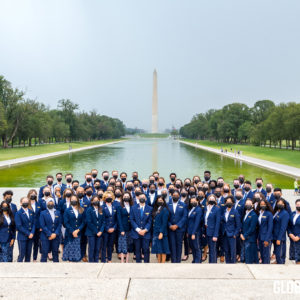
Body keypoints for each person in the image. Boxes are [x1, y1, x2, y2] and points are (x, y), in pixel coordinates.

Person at [130, 193, 153, 263]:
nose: (142, 198)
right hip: (136, 233)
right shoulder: (133, 208)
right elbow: (132, 219)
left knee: (146, 249)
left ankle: (146, 264)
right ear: (138, 199)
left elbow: (150, 221)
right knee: (137, 249)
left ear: (146, 199)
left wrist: (145, 230)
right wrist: (138, 230)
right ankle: (138, 264)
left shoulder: (150, 208)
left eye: (143, 197)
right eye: (140, 197)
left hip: (146, 233)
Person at [62, 195, 85, 262]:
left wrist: (78, 230)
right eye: (72, 199)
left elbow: (84, 222)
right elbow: (66, 222)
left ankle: (76, 261)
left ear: (77, 200)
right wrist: (73, 231)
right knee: (70, 249)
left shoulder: (81, 209)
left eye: (75, 199)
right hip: (70, 233)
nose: (73, 201)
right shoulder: (67, 210)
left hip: (79, 233)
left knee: (77, 248)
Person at [39, 198, 62, 262]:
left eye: (52, 203)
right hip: (46, 236)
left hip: (56, 236)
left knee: (55, 253)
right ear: (46, 204)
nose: (50, 204)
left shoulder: (58, 212)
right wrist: (49, 234)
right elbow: (42, 225)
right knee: (44, 253)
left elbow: (60, 224)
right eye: (49, 203)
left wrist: (55, 233)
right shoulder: (42, 213)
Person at [168, 190, 187, 263]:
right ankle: (173, 261)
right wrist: (170, 225)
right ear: (171, 196)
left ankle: (178, 261)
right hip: (171, 229)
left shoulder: (183, 204)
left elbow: (185, 216)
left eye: (177, 195)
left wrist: (177, 225)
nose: (175, 196)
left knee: (179, 245)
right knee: (172, 245)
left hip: (179, 229)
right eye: (174, 195)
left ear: (179, 196)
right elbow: (165, 217)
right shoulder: (167, 204)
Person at [221, 196, 241, 264]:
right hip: (225, 234)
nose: (228, 203)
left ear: (232, 203)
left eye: (230, 202)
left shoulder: (235, 211)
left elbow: (238, 225)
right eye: (227, 202)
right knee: (226, 250)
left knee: (233, 251)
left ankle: (233, 264)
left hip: (232, 234)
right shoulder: (224, 211)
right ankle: (228, 263)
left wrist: (235, 234)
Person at [15, 197, 35, 262]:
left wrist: (32, 233)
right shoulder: (18, 213)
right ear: (21, 203)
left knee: (28, 254)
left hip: (30, 237)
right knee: (22, 254)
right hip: (22, 237)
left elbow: (34, 223)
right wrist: (28, 233)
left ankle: (27, 269)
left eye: (27, 201)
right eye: (24, 201)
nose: (25, 203)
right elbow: (19, 226)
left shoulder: (31, 212)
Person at [85, 195, 105, 263]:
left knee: (97, 248)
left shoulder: (101, 209)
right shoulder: (89, 210)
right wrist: (96, 231)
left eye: (97, 200)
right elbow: (89, 222)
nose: (96, 201)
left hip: (100, 233)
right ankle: (91, 262)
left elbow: (104, 221)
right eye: (94, 200)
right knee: (92, 248)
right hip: (91, 232)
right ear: (92, 201)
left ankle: (96, 262)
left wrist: (101, 231)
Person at [151, 195, 170, 263]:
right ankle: (159, 263)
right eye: (158, 200)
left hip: (162, 233)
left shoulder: (165, 209)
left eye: (161, 200)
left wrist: (161, 232)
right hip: (156, 231)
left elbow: (164, 223)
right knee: (158, 249)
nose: (160, 201)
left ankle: (163, 263)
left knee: (163, 249)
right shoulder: (156, 209)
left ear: (164, 201)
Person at [240, 199, 258, 264]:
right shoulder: (245, 214)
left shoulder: (254, 215)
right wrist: (241, 234)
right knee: (245, 255)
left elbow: (252, 228)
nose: (248, 205)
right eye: (246, 204)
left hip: (250, 238)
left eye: (249, 204)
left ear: (252, 205)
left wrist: (244, 235)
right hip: (244, 237)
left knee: (249, 258)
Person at [101, 191, 118, 263]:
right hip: (105, 230)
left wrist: (114, 228)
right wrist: (107, 228)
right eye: (107, 197)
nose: (109, 198)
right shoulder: (102, 207)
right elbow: (102, 219)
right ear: (104, 198)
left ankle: (109, 259)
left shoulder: (115, 206)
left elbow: (117, 219)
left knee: (110, 245)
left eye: (110, 197)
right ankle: (103, 259)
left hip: (113, 229)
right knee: (104, 245)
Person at [117, 192, 133, 263]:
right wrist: (121, 229)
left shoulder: (132, 205)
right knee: (123, 244)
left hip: (131, 228)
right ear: (122, 197)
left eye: (128, 196)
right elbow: (119, 219)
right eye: (125, 196)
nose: (126, 197)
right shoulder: (119, 206)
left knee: (129, 245)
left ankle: (127, 261)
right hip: (123, 229)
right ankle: (122, 261)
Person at [204, 194, 221, 263]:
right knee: (209, 249)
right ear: (208, 200)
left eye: (213, 199)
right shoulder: (206, 208)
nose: (211, 200)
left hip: (213, 232)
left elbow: (217, 223)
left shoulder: (217, 209)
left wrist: (215, 235)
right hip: (206, 231)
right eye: (210, 199)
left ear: (215, 200)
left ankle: (213, 263)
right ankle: (210, 263)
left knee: (212, 249)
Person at [256, 199, 273, 264]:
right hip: (260, 237)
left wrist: (267, 239)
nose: (262, 206)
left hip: (266, 237)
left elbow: (270, 227)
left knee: (266, 255)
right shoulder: (259, 213)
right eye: (261, 204)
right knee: (262, 255)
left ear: (266, 205)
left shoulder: (269, 214)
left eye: (264, 204)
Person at [272, 199, 289, 264]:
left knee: (280, 255)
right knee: (277, 254)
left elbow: (283, 227)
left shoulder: (285, 213)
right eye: (278, 203)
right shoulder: (276, 212)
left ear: (284, 205)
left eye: (282, 203)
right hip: (274, 236)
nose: (280, 204)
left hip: (280, 237)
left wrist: (279, 238)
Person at [187, 195, 203, 263]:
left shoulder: (198, 209)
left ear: (197, 201)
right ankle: (194, 260)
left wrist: (193, 233)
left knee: (197, 247)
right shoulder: (191, 209)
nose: (193, 202)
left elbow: (197, 222)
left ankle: (198, 261)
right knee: (192, 247)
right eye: (191, 201)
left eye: (194, 201)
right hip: (190, 231)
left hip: (195, 232)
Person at [27, 189, 42, 262]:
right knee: (29, 243)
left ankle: (34, 258)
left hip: (37, 227)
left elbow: (41, 216)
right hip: (29, 227)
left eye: (34, 194)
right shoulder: (26, 204)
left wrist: (41, 226)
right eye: (31, 193)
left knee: (36, 243)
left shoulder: (38, 204)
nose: (33, 195)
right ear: (29, 195)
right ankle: (27, 257)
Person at [288, 199, 300, 264]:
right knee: (293, 257)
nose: (299, 206)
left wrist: (298, 236)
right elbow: (289, 225)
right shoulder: (292, 214)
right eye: (297, 204)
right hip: (292, 238)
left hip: (298, 238)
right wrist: (290, 234)